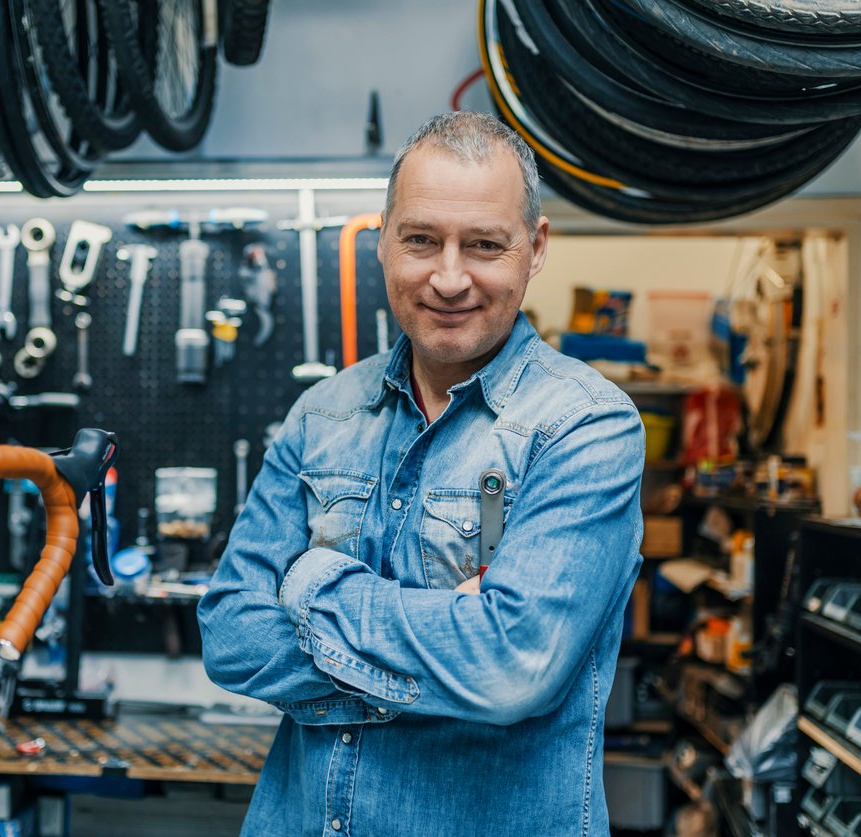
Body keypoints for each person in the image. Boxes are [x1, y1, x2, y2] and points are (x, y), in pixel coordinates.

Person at [198, 111, 645, 836]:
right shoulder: (322, 415)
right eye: (421, 240)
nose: (448, 277)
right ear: (382, 241)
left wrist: (310, 586)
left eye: (484, 245)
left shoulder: (587, 426)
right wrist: (447, 653)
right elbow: (231, 634)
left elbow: (511, 667)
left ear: (535, 249)